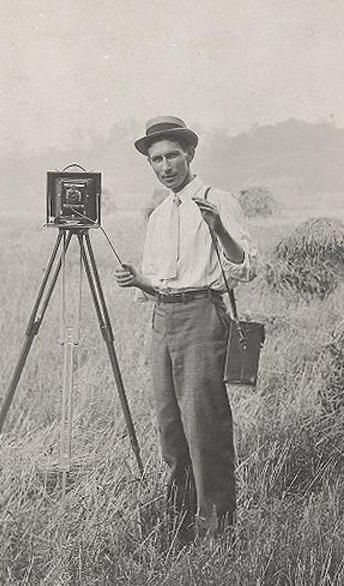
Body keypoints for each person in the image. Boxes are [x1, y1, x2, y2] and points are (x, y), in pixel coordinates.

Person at [114, 116, 259, 545]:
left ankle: (217, 533)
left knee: (204, 426)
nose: (165, 166)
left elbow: (247, 265)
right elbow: (161, 279)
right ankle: (179, 529)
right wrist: (138, 279)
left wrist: (219, 230)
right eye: (156, 159)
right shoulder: (159, 213)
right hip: (163, 318)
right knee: (169, 427)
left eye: (172, 155)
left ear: (190, 154)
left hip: (202, 316)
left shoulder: (218, 199)